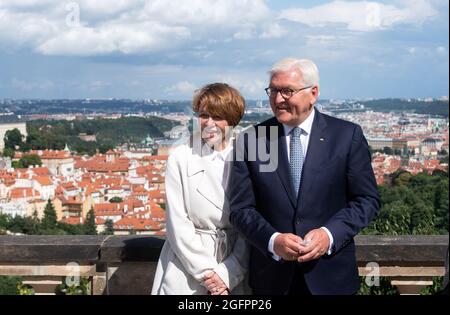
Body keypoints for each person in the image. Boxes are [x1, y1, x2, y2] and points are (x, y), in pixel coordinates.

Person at [227, 58, 380, 295]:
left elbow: (367, 201)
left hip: (331, 278)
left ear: (313, 93)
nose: (278, 100)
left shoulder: (346, 136)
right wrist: (273, 240)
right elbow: (240, 209)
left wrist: (329, 235)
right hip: (272, 280)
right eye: (273, 91)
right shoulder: (253, 140)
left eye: (287, 91)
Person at [152, 83, 249, 295]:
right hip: (187, 266)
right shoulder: (181, 157)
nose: (209, 123)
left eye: (218, 116)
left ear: (233, 119)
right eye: (204, 115)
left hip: (235, 265)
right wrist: (209, 275)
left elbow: (252, 222)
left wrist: (228, 274)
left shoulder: (250, 154)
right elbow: (177, 223)